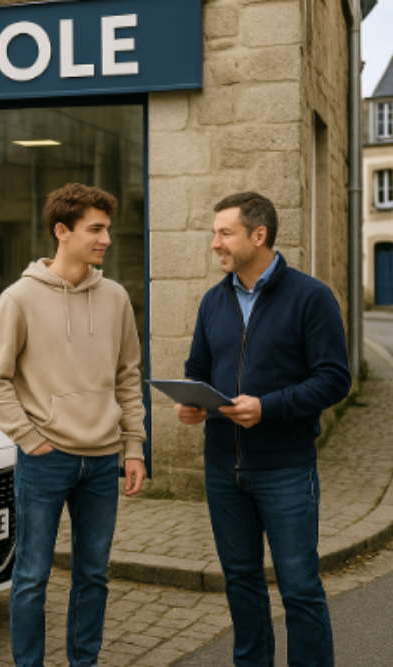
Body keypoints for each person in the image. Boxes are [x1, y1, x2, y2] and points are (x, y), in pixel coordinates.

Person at [176, 192, 351, 667]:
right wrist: (192, 403)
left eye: (224, 233)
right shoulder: (213, 300)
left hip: (285, 468)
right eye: (214, 233)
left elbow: (334, 379)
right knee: (241, 583)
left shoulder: (311, 297)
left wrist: (268, 408)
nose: (215, 243)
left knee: (299, 587)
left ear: (259, 235)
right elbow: (198, 370)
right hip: (222, 468)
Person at [0, 183, 147, 667]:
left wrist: (134, 446)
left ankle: (83, 662)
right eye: (95, 229)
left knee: (93, 575)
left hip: (103, 460)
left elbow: (127, 376)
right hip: (45, 459)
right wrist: (29, 438)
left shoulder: (115, 297)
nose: (106, 240)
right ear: (62, 231)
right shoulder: (19, 298)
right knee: (32, 576)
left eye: (107, 229)